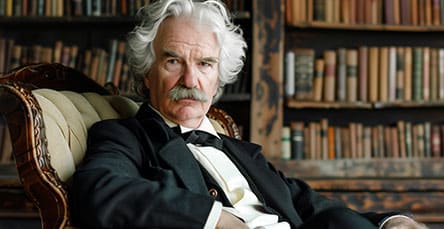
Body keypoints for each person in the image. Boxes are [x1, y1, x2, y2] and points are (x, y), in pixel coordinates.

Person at [70, 0, 427, 228]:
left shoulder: (242, 151)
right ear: (148, 72)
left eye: (205, 64)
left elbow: (309, 205)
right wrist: (215, 220)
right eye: (173, 61)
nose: (190, 79)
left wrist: (389, 223)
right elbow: (101, 191)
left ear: (218, 78)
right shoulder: (124, 136)